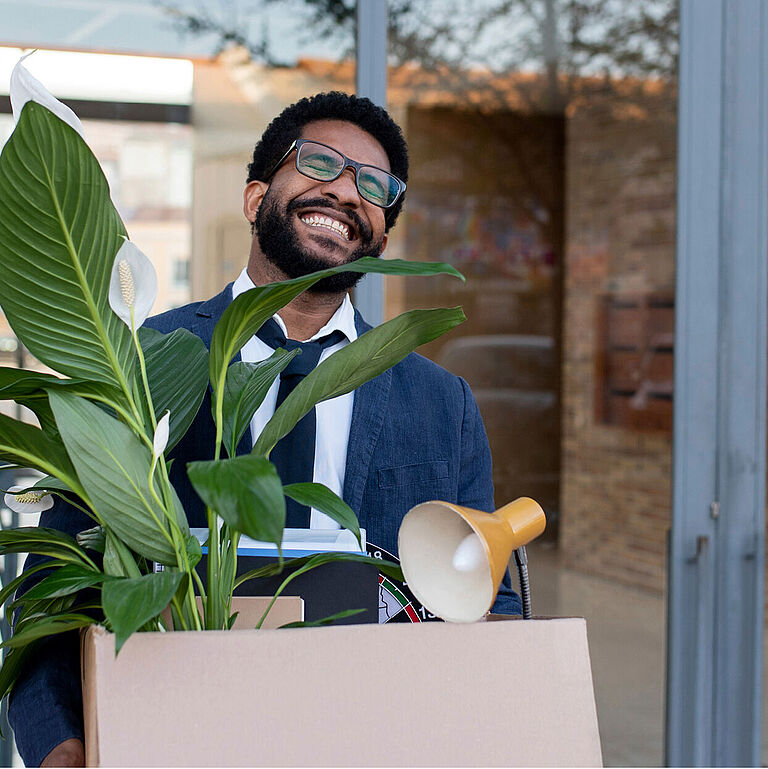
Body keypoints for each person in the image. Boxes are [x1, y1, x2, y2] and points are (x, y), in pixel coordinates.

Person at [8, 92, 520, 767]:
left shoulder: (440, 403)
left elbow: (494, 604)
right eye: (319, 164)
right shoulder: (136, 361)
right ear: (255, 198)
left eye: (374, 187)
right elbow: (53, 598)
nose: (345, 191)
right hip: (170, 738)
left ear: (382, 239)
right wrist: (64, 751)